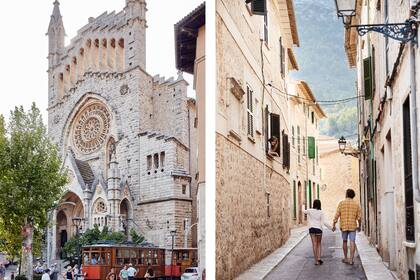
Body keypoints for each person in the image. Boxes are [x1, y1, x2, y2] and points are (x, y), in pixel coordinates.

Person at [332, 188, 362, 265]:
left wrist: (334, 224)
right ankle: (351, 259)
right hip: (352, 226)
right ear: (353, 195)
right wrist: (359, 226)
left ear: (346, 194)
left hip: (344, 226)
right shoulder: (356, 204)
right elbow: (359, 217)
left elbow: (337, 215)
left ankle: (345, 258)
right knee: (352, 241)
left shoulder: (341, 203)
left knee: (344, 241)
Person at [303, 199, 331, 265]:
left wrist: (303, 205)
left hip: (312, 229)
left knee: (314, 244)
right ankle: (319, 258)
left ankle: (316, 261)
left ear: (313, 204)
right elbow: (324, 222)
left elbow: (303, 211)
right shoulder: (321, 212)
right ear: (319, 204)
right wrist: (331, 228)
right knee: (319, 244)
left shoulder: (310, 210)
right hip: (319, 229)